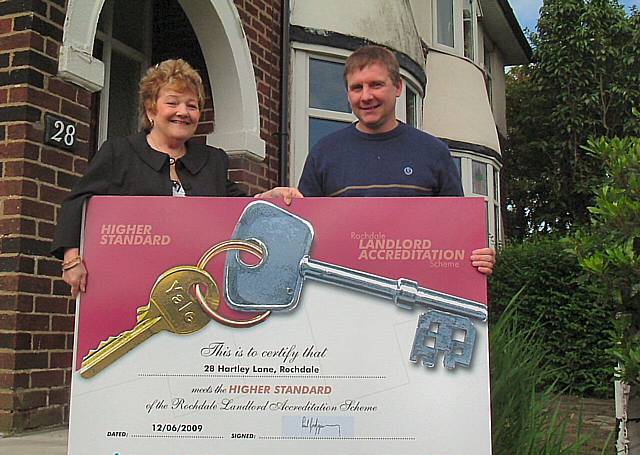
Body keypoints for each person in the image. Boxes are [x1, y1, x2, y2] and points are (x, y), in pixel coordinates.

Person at [258, 45, 495, 274]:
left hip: (418, 295)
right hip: (346, 294)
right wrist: (270, 205)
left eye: (376, 85)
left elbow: (456, 232)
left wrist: (476, 256)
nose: (366, 96)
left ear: (398, 87)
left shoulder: (434, 152)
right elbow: (304, 233)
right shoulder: (324, 153)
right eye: (356, 88)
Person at [52, 59, 246, 297]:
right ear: (151, 109)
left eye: (192, 105)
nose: (183, 112)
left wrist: (270, 198)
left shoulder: (213, 160)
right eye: (172, 103)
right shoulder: (119, 153)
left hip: (198, 289)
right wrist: (71, 259)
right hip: (128, 286)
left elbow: (238, 205)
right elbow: (76, 203)